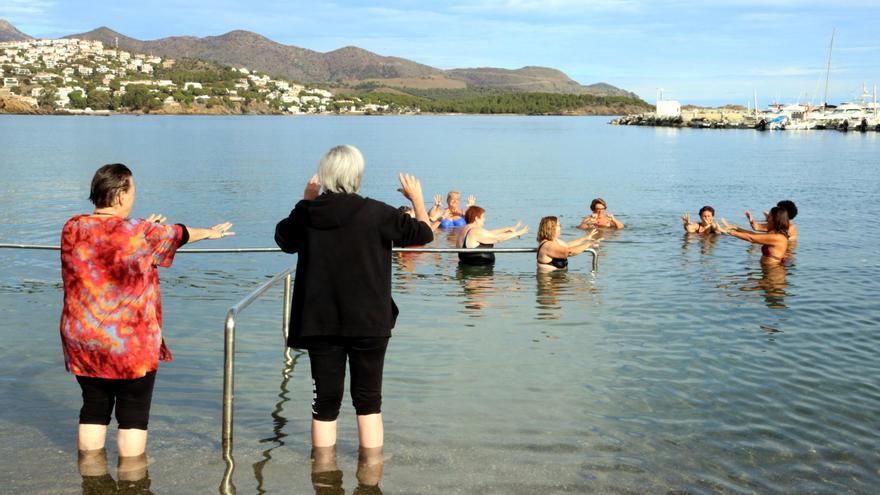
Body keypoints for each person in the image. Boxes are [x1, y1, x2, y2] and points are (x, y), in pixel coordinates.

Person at [60, 163, 234, 459]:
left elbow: (113, 241)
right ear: (120, 196)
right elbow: (179, 233)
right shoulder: (141, 232)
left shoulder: (72, 228)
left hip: (83, 339)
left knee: (93, 407)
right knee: (133, 415)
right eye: (132, 192)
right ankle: (132, 478)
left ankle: (90, 476)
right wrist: (209, 233)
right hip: (129, 345)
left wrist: (141, 229)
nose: (133, 198)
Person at [274, 145, 433, 460]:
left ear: (324, 176)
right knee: (369, 402)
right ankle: (371, 475)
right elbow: (424, 234)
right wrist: (417, 198)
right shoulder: (377, 213)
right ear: (357, 176)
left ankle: (323, 475)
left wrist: (306, 199)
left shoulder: (307, 213)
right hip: (369, 321)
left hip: (319, 322)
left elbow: (284, 240)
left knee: (325, 403)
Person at [455, 205, 528, 265]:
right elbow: (498, 239)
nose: (484, 219)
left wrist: (507, 229)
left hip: (468, 266)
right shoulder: (475, 231)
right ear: (476, 218)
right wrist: (518, 233)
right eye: (483, 217)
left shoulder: (463, 229)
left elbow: (488, 234)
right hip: (479, 272)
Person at [717, 206, 790, 265]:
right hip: (768, 270)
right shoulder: (774, 234)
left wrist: (729, 232)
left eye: (769, 216)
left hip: (773, 273)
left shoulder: (778, 237)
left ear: (775, 219)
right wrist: (734, 227)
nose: (767, 218)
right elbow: (753, 234)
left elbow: (751, 238)